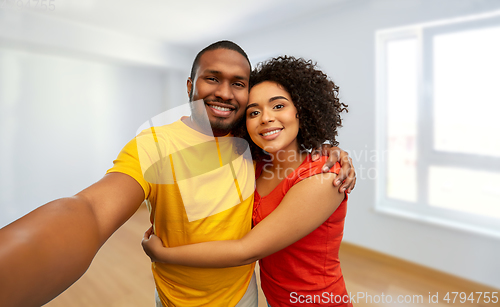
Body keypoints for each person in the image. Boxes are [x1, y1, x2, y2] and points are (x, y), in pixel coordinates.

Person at [0, 41, 356, 307]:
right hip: (173, 298)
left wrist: (331, 150)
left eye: (238, 83)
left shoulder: (257, 150)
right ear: (190, 86)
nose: (223, 92)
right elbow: (90, 211)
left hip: (247, 296)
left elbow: (251, 245)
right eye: (211, 79)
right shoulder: (156, 143)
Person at [142, 56, 353, 306]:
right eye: (254, 112)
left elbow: (246, 250)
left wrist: (163, 254)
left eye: (278, 106)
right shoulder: (255, 167)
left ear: (301, 110)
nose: (265, 118)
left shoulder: (325, 178)